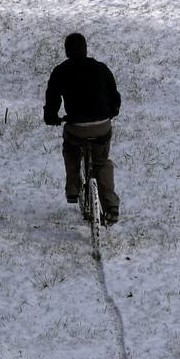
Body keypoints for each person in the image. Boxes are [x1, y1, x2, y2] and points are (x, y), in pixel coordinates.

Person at [44, 32, 121, 224]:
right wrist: (112, 111)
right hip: (101, 126)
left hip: (77, 126)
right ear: (86, 49)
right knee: (101, 162)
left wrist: (51, 117)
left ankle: (72, 187)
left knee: (71, 150)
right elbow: (114, 97)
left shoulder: (60, 71)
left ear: (66, 51)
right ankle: (111, 205)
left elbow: (52, 98)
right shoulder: (101, 69)